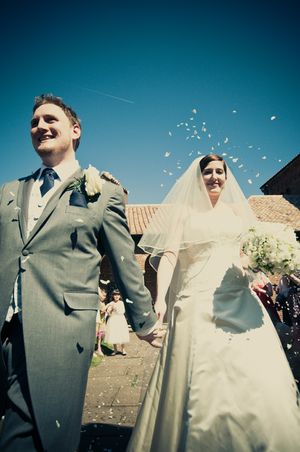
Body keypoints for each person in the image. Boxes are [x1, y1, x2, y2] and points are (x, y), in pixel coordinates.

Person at [0, 94, 163, 452]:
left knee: (47, 434)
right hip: (6, 330)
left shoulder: (102, 193)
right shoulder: (9, 192)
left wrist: (145, 321)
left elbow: (124, 262)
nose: (40, 126)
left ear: (75, 130)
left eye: (49, 119)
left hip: (60, 327)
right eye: (33, 122)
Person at [127, 154, 300, 452]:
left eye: (220, 171)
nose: (214, 177)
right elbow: (169, 256)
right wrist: (160, 298)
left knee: (253, 372)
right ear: (199, 177)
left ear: (227, 176)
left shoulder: (237, 214)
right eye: (208, 172)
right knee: (203, 375)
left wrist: (257, 270)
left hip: (239, 299)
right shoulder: (184, 213)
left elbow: (247, 253)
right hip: (198, 301)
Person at [105, 288, 130, 355]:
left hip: (120, 319)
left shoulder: (121, 303)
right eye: (115, 295)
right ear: (113, 296)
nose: (116, 296)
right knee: (114, 334)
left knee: (121, 334)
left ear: (120, 296)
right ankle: (115, 349)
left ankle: (123, 349)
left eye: (118, 295)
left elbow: (122, 311)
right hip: (113, 320)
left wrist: (115, 308)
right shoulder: (111, 303)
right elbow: (108, 312)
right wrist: (109, 311)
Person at [94, 284, 108, 357]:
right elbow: (102, 310)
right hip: (97, 319)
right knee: (95, 334)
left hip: (102, 320)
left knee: (101, 334)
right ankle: (93, 350)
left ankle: (99, 348)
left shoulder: (102, 302)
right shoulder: (97, 301)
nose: (104, 297)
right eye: (103, 295)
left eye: (105, 296)